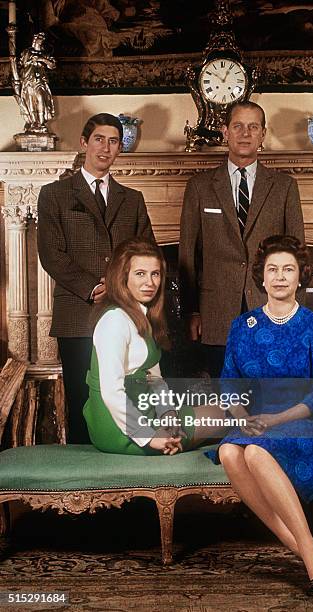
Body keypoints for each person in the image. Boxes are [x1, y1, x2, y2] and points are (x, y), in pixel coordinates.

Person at [206, 235, 313, 595]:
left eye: (288, 270)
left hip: (306, 421)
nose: (280, 277)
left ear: (300, 277)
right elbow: (228, 381)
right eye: (272, 270)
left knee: (256, 451)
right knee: (229, 451)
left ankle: (310, 553)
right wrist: (242, 415)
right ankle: (305, 549)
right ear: (261, 277)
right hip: (257, 418)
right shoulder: (242, 326)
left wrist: (273, 422)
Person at [37, 113, 154, 443]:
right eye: (99, 139)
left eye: (114, 141)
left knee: (128, 399)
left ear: (120, 149)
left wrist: (121, 289)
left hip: (125, 315)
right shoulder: (54, 195)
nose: (106, 147)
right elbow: (51, 255)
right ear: (84, 143)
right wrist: (93, 287)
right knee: (83, 402)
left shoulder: (132, 200)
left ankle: (127, 483)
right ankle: (82, 489)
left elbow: (146, 252)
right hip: (77, 315)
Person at [179, 100, 305, 377]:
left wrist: (294, 314)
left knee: (269, 396)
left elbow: (298, 256)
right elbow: (188, 254)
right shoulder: (199, 187)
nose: (245, 133)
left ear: (263, 134)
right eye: (238, 126)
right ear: (225, 132)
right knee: (225, 399)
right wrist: (191, 311)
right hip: (216, 312)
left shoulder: (284, 187)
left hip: (270, 308)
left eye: (252, 127)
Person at [84, 239, 226, 455]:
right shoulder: (114, 319)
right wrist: (149, 436)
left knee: (226, 410)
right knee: (226, 414)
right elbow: (111, 391)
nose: (150, 282)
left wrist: (168, 415)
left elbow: (155, 381)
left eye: (155, 274)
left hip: (143, 410)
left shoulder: (142, 316)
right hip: (120, 428)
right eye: (140, 273)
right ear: (122, 277)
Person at [18, 32, 56, 132]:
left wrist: (41, 59)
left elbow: (52, 65)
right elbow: (23, 63)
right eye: (38, 38)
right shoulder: (27, 52)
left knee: (41, 98)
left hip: (40, 81)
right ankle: (34, 123)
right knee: (30, 101)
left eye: (41, 38)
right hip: (29, 80)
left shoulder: (45, 54)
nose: (39, 40)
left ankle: (41, 123)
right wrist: (32, 59)